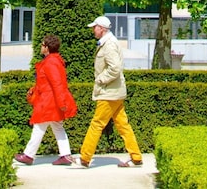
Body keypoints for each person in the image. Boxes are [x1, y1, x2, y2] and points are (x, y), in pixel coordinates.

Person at [78, 15, 143, 168]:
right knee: (123, 125)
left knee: (97, 124)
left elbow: (115, 68)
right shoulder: (109, 42)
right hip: (115, 92)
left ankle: (84, 158)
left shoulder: (109, 45)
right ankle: (136, 157)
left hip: (109, 92)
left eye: (95, 27)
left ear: (102, 28)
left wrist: (101, 79)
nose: (93, 29)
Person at [14, 34, 79, 166]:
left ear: (47, 48)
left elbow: (57, 84)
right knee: (57, 127)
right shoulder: (54, 61)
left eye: (42, 45)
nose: (41, 46)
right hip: (53, 101)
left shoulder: (50, 62)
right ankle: (65, 155)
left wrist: (61, 103)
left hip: (48, 102)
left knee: (39, 126)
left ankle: (28, 155)